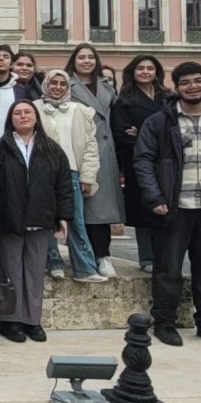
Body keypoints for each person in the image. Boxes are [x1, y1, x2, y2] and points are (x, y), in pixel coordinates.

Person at [133, 62, 201, 349]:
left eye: (197, 81)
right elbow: (143, 160)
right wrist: (155, 197)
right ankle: (164, 323)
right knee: (167, 269)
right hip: (174, 206)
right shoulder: (160, 121)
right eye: (185, 83)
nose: (192, 87)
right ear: (176, 87)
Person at [0, 101, 73, 343]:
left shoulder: (52, 149)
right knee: (10, 271)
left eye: (27, 112)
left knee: (34, 272)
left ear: (36, 118)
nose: (23, 116)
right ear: (10, 119)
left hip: (40, 219)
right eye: (17, 113)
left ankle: (32, 320)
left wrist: (63, 216)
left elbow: (64, 186)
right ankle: (11, 320)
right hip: (9, 221)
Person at [33, 71, 104, 283]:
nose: (57, 87)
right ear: (46, 84)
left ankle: (85, 268)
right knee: (46, 220)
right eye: (53, 82)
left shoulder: (79, 110)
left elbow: (91, 146)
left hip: (72, 172)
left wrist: (88, 176)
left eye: (62, 84)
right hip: (41, 174)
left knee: (76, 220)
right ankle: (53, 263)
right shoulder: (34, 108)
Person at [65, 43, 124, 277]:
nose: (87, 61)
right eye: (82, 57)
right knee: (81, 208)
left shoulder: (107, 88)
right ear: (74, 61)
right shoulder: (66, 85)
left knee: (101, 209)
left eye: (91, 57)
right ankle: (82, 255)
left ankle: (103, 255)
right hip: (78, 149)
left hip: (104, 152)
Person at [112, 54, 168, 273]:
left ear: (157, 72)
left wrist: (141, 130)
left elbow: (173, 128)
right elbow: (122, 133)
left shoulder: (167, 98)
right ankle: (146, 257)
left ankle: (163, 256)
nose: (145, 72)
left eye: (150, 68)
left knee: (165, 207)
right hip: (137, 160)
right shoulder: (124, 100)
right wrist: (145, 136)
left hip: (166, 161)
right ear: (132, 73)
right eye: (140, 68)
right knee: (143, 209)